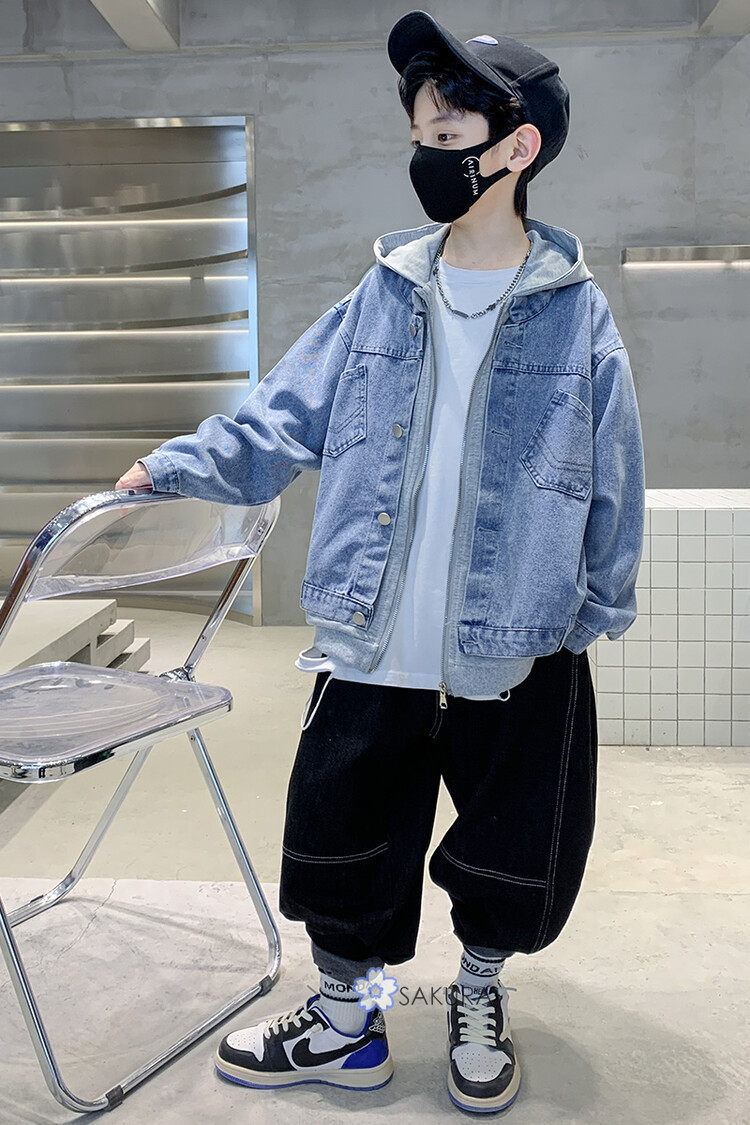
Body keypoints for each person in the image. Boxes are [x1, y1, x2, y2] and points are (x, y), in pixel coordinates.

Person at [116, 10, 645, 1115]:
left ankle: (479, 991)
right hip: (375, 630)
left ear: (518, 147)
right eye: (419, 132)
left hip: (518, 639)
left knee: (515, 846)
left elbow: (615, 476)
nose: (428, 150)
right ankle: (347, 1021)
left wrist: (591, 612)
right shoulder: (384, 294)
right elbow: (281, 416)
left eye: (449, 130)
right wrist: (172, 467)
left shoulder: (578, 315)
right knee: (342, 834)